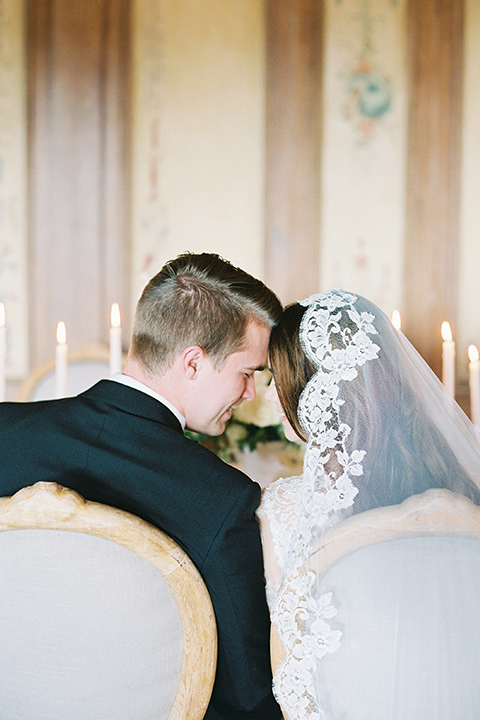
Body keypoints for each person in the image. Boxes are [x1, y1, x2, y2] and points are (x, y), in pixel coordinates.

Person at [0, 252, 283, 720]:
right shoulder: (219, 497)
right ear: (193, 362)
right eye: (248, 372)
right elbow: (248, 694)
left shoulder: (5, 433)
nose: (251, 393)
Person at [258, 289, 480, 719]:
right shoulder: (465, 489)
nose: (269, 398)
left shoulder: (285, 510)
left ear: (318, 391)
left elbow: (290, 674)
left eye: (276, 380)